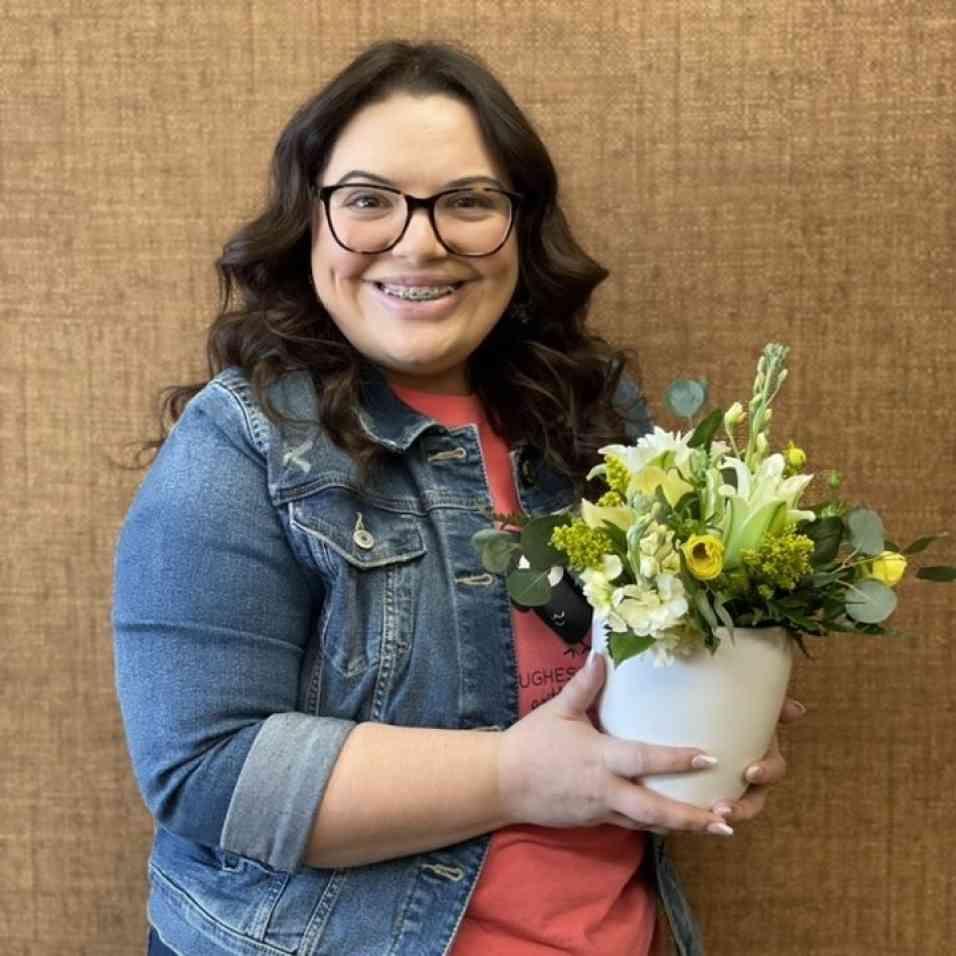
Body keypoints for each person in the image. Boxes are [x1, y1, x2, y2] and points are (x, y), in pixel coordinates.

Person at [112, 39, 805, 956]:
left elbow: (624, 674)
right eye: (368, 201)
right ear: (309, 223)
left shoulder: (596, 420)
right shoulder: (241, 446)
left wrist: (711, 706)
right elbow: (208, 772)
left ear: (520, 225)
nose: (420, 241)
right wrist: (515, 776)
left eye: (469, 202)